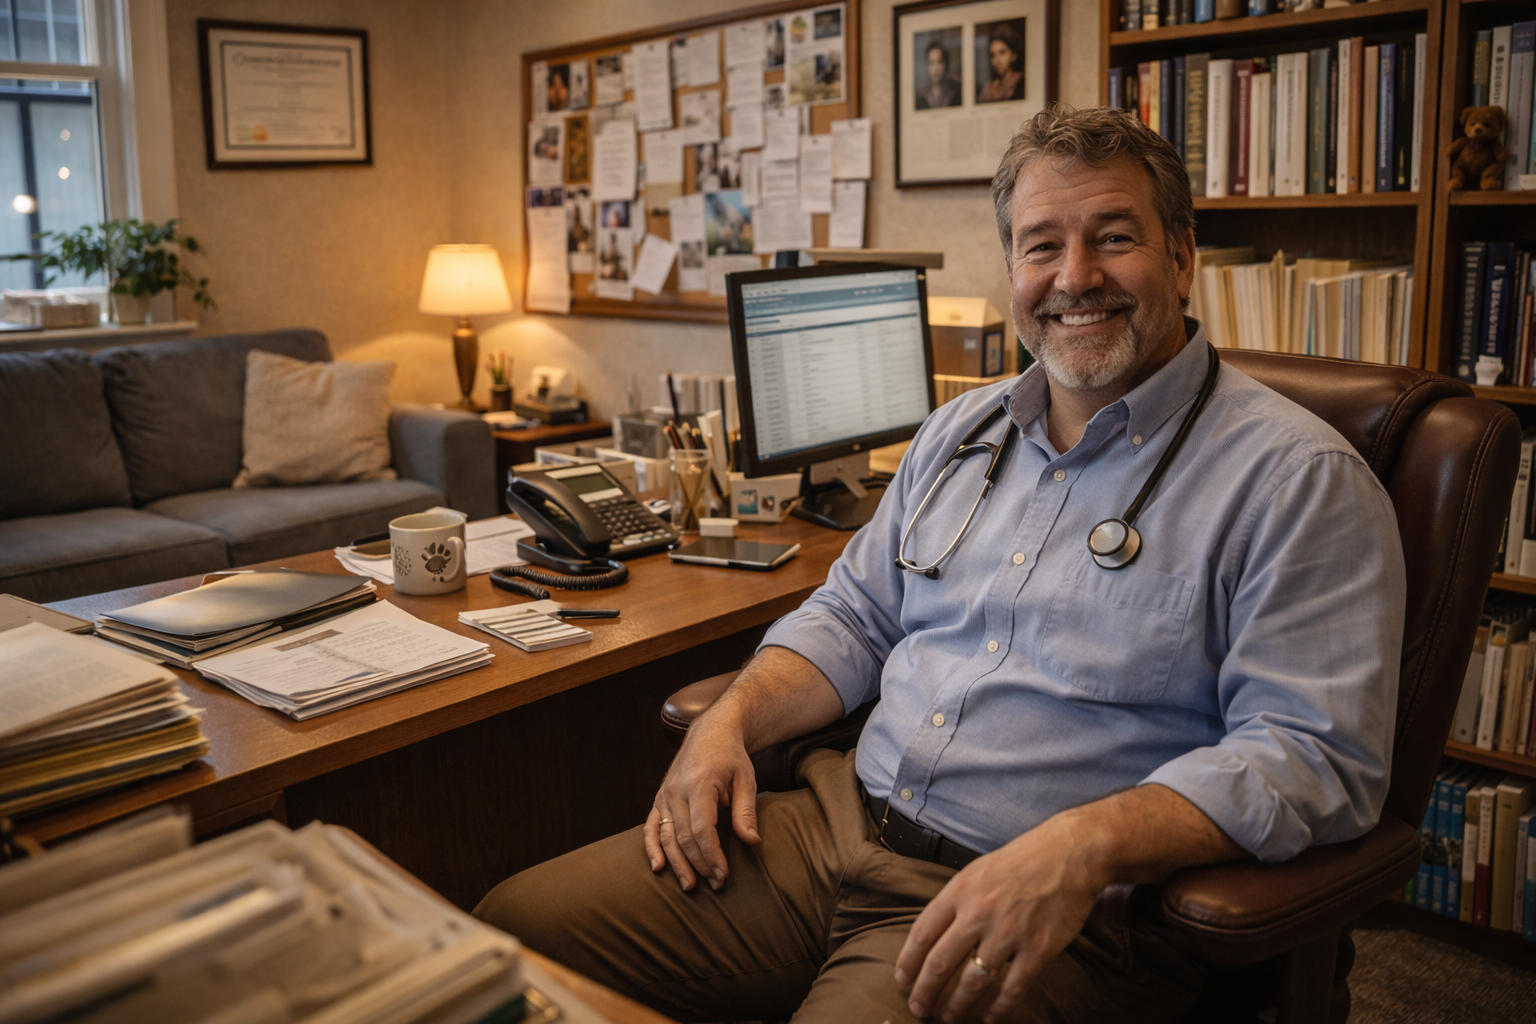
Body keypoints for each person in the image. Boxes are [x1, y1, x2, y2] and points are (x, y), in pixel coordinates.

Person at [476, 105, 1405, 1023]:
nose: (1074, 277)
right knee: (503, 946)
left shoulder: (1297, 479)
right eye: (1042, 246)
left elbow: (1315, 755)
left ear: (1183, 258)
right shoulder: (963, 431)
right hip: (831, 827)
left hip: (1044, 899)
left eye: (1113, 237)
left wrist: (1083, 846)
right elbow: (854, 618)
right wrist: (728, 723)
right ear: (1013, 270)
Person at [978, 22, 1025, 103]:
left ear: (1014, 55)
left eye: (1002, 52)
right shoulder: (990, 88)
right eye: (993, 55)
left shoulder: (1023, 82)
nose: (997, 61)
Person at [916, 40, 961, 110]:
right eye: (932, 63)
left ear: (946, 64)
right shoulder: (921, 97)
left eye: (940, 62)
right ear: (927, 66)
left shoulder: (955, 94)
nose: (936, 68)